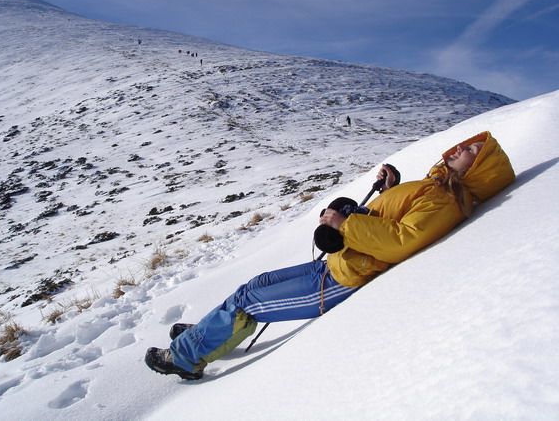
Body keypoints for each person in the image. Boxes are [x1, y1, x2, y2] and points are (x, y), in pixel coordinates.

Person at [145, 131, 515, 380]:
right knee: (253, 287)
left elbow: (402, 240)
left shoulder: (447, 200)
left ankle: (186, 358)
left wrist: (343, 224)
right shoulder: (437, 187)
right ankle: (211, 334)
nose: (456, 150)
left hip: (344, 277)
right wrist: (391, 189)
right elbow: (396, 217)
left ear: (479, 169)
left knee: (252, 301)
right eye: (462, 145)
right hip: (343, 261)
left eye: (469, 152)